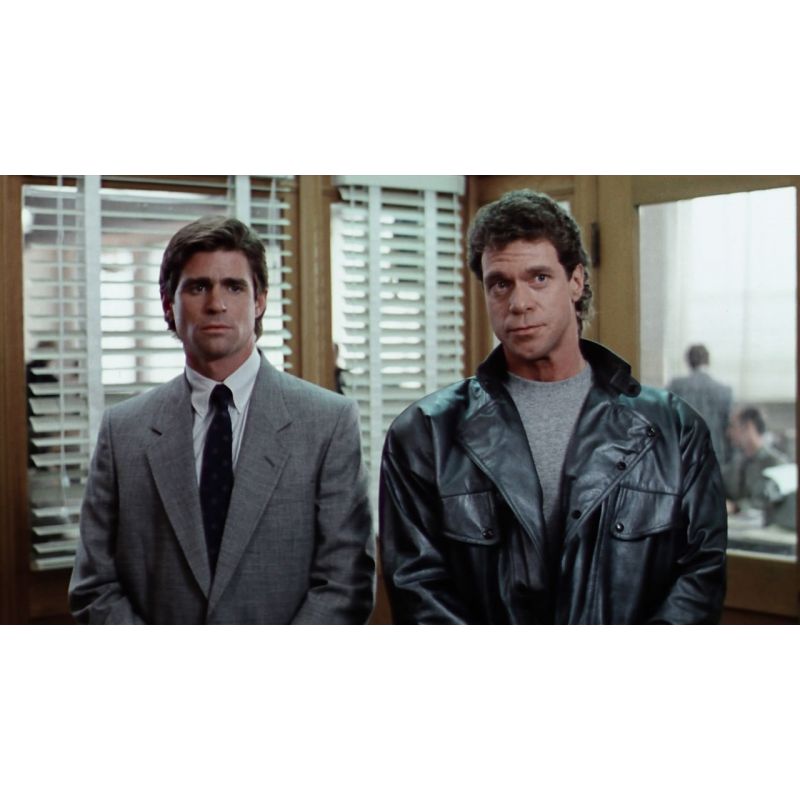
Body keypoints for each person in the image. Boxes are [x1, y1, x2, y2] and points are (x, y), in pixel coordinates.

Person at [379, 190, 727, 624]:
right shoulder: (425, 433)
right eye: (500, 284)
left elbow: (700, 577)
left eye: (539, 278)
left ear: (576, 281)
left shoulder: (674, 428)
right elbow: (417, 590)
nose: (519, 303)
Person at [69, 216, 375, 623]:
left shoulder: (327, 423)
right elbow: (95, 585)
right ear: (168, 304)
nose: (216, 303)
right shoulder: (123, 431)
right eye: (198, 287)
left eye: (234, 286)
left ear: (260, 301)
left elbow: (345, 584)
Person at [667, 344, 733, 465]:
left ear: (688, 361)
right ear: (708, 361)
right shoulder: (724, 391)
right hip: (715, 454)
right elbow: (729, 429)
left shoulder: (675, 387)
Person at [723, 405, 787, 514]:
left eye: (733, 427)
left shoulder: (778, 465)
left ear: (749, 427)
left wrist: (736, 507)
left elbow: (769, 500)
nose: (729, 433)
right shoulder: (737, 464)